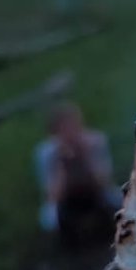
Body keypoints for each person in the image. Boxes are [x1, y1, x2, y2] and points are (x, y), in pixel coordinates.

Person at [34, 101, 121, 248]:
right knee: (51, 219)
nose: (72, 132)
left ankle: (113, 235)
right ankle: (70, 246)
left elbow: (104, 181)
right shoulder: (46, 153)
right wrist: (62, 164)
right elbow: (53, 195)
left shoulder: (95, 141)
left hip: (95, 190)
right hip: (65, 198)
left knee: (117, 201)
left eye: (75, 125)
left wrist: (86, 156)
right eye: (65, 128)